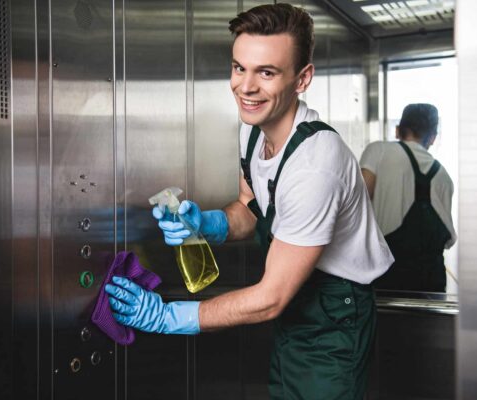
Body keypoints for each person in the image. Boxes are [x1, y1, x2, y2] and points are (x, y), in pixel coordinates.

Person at [105, 4, 393, 399]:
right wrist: (206, 224)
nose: (246, 87)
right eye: (240, 68)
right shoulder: (253, 130)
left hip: (334, 315)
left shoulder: (316, 166)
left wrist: (168, 317)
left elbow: (271, 298)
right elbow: (249, 208)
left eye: (267, 72)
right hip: (299, 304)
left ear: (302, 78)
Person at [360, 104, 457, 292]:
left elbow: (358, 201)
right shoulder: (445, 177)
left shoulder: (379, 151)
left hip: (387, 272)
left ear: (398, 130)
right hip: (432, 278)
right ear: (433, 137)